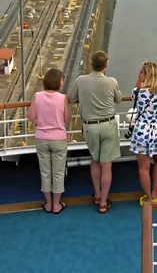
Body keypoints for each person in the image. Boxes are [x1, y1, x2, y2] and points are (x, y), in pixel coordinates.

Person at [69, 50, 121, 214]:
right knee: (107, 165)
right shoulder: (111, 81)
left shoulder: (80, 80)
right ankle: (104, 203)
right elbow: (118, 99)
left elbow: (70, 98)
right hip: (108, 125)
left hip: (90, 126)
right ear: (106, 66)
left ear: (91, 64)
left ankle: (97, 194)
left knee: (95, 161)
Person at [27, 68, 71, 214]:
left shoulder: (37, 96)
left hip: (41, 138)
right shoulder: (63, 98)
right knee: (58, 173)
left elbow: (30, 116)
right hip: (58, 138)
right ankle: (57, 205)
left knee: (45, 172)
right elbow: (66, 118)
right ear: (58, 82)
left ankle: (48, 204)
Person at [130, 62, 157, 205]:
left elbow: (137, 89)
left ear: (146, 75)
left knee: (143, 167)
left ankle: (148, 197)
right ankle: (154, 191)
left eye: (141, 72)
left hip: (141, 131)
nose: (139, 74)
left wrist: (140, 79)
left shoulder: (137, 92)